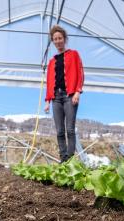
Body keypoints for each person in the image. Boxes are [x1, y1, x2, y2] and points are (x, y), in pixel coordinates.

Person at [44, 25, 84, 163]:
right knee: (60, 131)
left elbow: (80, 74)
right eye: (55, 39)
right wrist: (47, 100)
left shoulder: (74, 54)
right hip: (56, 98)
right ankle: (63, 159)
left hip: (69, 95)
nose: (57, 41)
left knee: (70, 129)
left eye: (60, 38)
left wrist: (78, 92)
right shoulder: (52, 61)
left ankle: (71, 159)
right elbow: (49, 81)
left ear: (64, 39)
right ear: (53, 41)